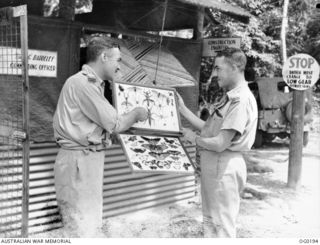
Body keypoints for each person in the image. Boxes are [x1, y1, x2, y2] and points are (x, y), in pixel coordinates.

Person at [52, 37, 148, 237]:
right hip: (80, 162)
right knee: (82, 225)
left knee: (85, 221)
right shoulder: (84, 84)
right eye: (118, 60)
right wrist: (137, 113)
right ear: (104, 57)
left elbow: (94, 125)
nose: (119, 67)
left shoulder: (90, 84)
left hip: (83, 159)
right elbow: (116, 124)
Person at [177, 48, 258, 238]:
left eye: (218, 68)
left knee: (221, 226)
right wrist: (181, 108)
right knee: (210, 222)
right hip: (216, 165)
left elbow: (221, 142)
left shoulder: (240, 100)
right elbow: (209, 128)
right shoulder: (230, 97)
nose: (215, 74)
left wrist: (192, 138)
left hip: (224, 166)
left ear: (236, 67)